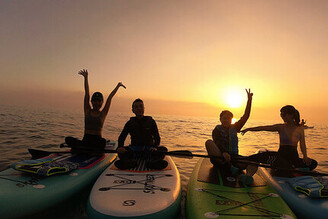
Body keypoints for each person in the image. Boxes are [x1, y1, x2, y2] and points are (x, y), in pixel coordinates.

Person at [241, 105, 317, 171]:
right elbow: (264, 128)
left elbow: (302, 144)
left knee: (313, 163)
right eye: (281, 114)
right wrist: (248, 129)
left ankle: (292, 168)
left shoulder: (299, 129)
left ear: (291, 115)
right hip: (280, 156)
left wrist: (305, 157)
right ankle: (291, 168)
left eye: (284, 114)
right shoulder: (280, 127)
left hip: (293, 157)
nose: (282, 116)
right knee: (259, 156)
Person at [65, 69, 126, 151]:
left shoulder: (103, 113)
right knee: (68, 139)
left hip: (97, 141)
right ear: (91, 102)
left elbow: (110, 98)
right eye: (95, 100)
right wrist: (86, 78)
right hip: (86, 140)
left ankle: (83, 149)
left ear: (102, 102)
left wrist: (118, 86)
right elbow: (87, 93)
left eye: (99, 101)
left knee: (102, 142)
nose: (96, 103)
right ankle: (84, 149)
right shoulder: (87, 110)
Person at [205, 89, 257, 185]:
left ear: (231, 120)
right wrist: (224, 152)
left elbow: (246, 116)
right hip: (221, 158)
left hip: (234, 158)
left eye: (228, 118)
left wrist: (249, 100)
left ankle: (247, 176)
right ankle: (231, 168)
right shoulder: (216, 130)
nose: (226, 120)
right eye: (224, 118)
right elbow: (218, 141)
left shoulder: (235, 127)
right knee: (209, 142)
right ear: (220, 119)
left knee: (254, 161)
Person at [115, 98, 168, 170]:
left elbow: (157, 137)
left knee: (163, 149)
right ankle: (129, 163)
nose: (139, 108)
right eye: (136, 107)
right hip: (134, 150)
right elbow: (121, 137)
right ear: (133, 110)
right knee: (121, 152)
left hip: (149, 150)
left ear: (144, 109)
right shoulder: (129, 123)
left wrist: (155, 147)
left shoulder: (151, 122)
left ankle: (153, 163)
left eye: (141, 106)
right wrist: (120, 147)